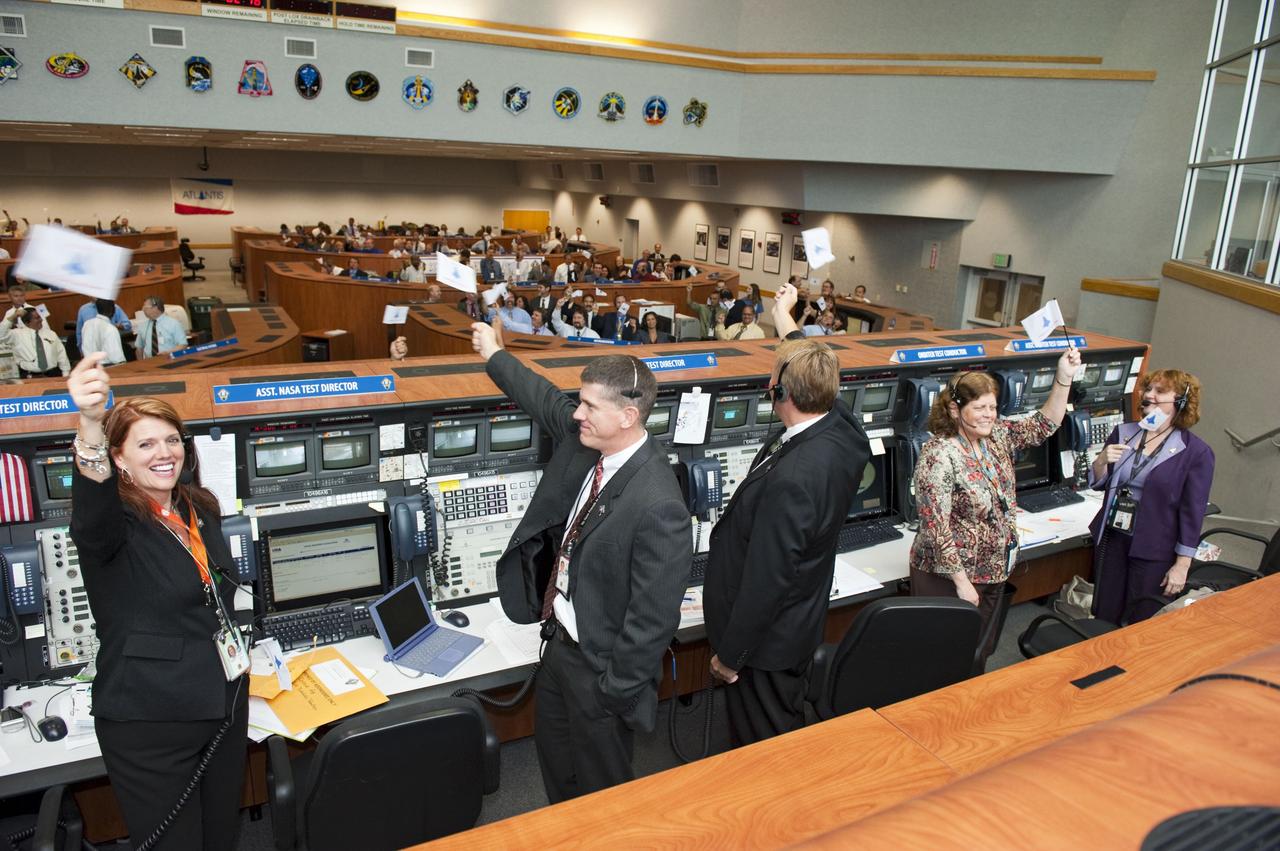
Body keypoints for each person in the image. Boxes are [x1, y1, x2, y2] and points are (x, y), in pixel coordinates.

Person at [469, 321, 689, 802]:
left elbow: (652, 620)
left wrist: (613, 692)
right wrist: (494, 354)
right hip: (560, 649)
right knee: (558, 772)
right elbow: (543, 397)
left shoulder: (658, 503)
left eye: (590, 406)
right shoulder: (589, 444)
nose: (577, 415)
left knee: (601, 792)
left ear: (628, 415)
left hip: (602, 671)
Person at [66, 353, 247, 850]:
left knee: (220, 836)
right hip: (153, 720)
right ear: (118, 458)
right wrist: (89, 425)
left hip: (223, 701)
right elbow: (90, 511)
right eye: (145, 443)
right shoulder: (112, 527)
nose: (163, 452)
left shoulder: (197, 505)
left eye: (171, 439)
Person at [703, 281, 870, 746]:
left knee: (766, 742)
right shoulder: (845, 432)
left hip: (767, 645)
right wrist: (785, 320)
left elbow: (767, 579)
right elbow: (817, 369)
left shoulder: (793, 479)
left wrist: (731, 657)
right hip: (801, 620)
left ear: (777, 393)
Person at [910, 345, 1082, 664]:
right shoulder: (939, 455)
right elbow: (936, 527)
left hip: (992, 571)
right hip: (951, 578)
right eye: (980, 408)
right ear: (953, 409)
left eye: (993, 407)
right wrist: (962, 583)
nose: (990, 414)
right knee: (941, 657)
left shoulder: (996, 436)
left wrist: (1063, 378)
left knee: (978, 652)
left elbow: (1043, 425)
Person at [1089, 369, 1214, 624]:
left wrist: (1182, 565)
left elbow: (1193, 513)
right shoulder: (1124, 433)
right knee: (1105, 612)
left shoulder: (1195, 452)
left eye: (1160, 391)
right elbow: (1101, 483)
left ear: (1180, 401)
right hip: (1114, 536)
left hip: (1154, 546)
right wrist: (1100, 461)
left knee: (1141, 618)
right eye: (1149, 389)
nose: (1150, 395)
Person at [0, 308, 70, 377]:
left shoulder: (51, 334)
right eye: (37, 318)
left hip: (53, 374)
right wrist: (14, 316)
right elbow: (1, 334)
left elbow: (62, 354)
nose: (41, 320)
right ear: (27, 322)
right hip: (29, 376)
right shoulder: (17, 334)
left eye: (40, 317)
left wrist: (66, 373)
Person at [81, 299, 128, 365]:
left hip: (89, 368)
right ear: (113, 310)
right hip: (108, 369)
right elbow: (118, 359)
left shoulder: (87, 324)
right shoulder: (111, 329)